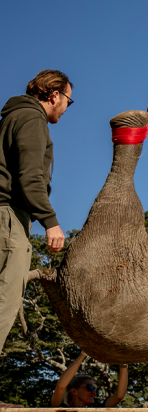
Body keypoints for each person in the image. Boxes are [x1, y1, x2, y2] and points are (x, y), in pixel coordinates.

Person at [0, 71, 73, 408]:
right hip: (9, 217)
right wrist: (51, 222)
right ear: (53, 94)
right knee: (5, 300)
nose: (66, 109)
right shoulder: (31, 119)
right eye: (68, 101)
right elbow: (29, 176)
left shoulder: (11, 117)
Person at [51, 352, 128, 407]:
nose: (94, 392)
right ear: (74, 391)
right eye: (90, 387)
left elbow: (119, 396)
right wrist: (84, 353)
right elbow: (61, 386)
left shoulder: (96, 410)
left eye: (94, 388)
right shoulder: (60, 409)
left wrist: (123, 363)